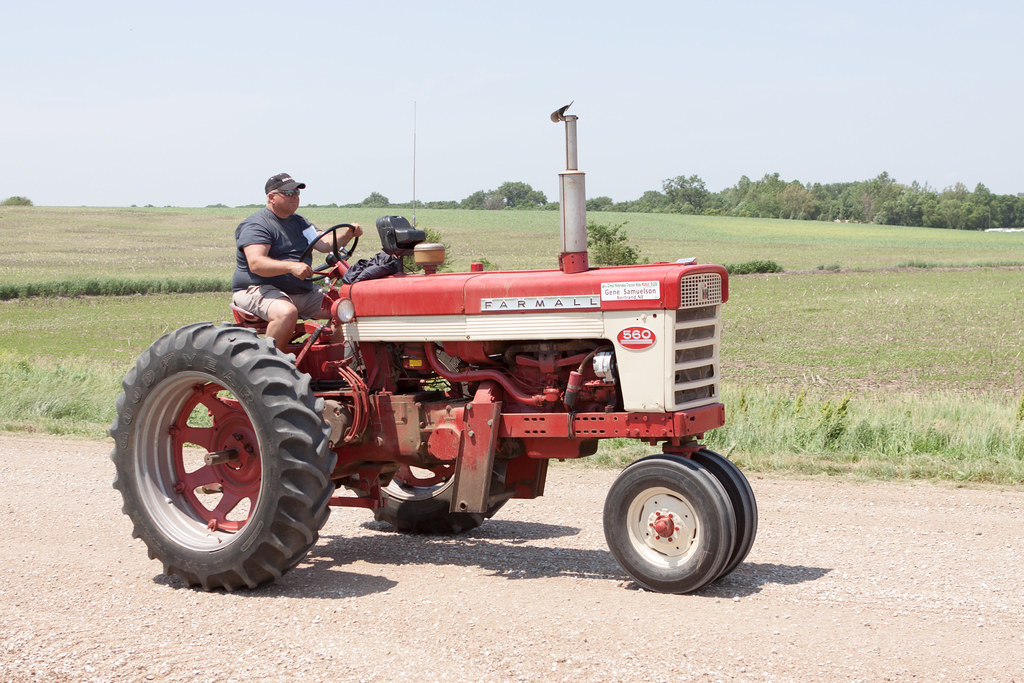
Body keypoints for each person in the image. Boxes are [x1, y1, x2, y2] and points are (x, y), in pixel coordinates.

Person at [231, 173, 362, 351]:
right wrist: (291, 267)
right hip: (256, 289)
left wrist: (348, 233)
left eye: (297, 193)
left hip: (299, 291)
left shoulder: (300, 223)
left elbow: (324, 244)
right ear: (271, 197)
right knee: (286, 312)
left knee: (344, 308)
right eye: (289, 193)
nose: (295, 197)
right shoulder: (257, 225)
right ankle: (268, 366)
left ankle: (331, 362)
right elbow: (256, 263)